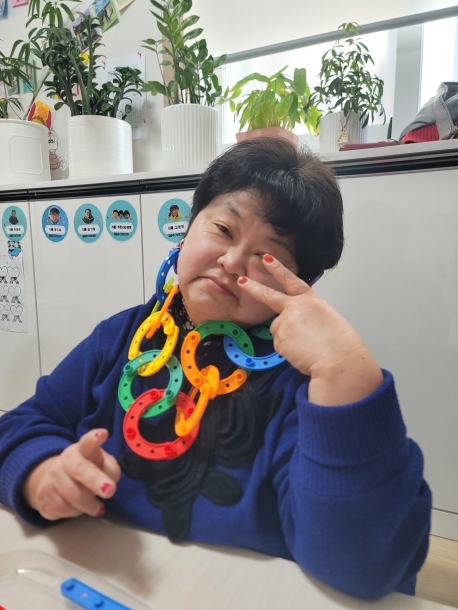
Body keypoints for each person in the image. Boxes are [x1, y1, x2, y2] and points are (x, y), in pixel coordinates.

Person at [0, 138, 431, 601]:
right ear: (188, 229)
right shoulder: (121, 338)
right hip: (98, 577)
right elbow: (21, 426)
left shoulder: (306, 385)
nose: (231, 261)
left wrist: (346, 375)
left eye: (267, 257)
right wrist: (42, 473)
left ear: (300, 285)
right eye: (223, 229)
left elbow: (363, 565)